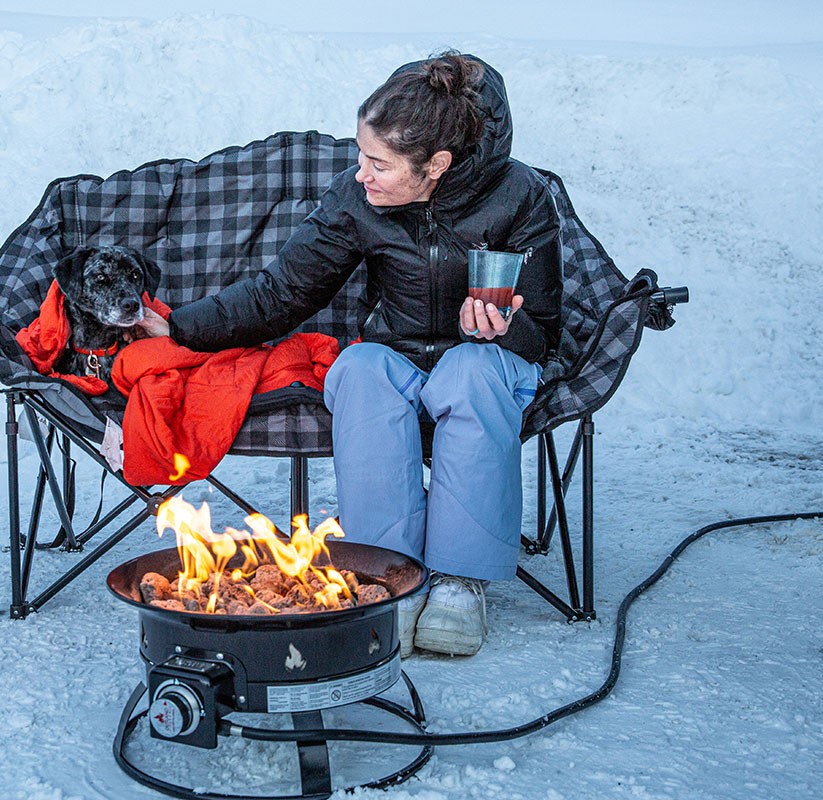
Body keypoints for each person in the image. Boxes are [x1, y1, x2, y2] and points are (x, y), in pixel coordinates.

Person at [134, 52, 562, 657]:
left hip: (488, 362)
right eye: (361, 155)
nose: (361, 174)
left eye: (378, 163)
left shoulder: (521, 196)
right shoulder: (357, 197)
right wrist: (178, 328)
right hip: (400, 353)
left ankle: (459, 584)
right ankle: (391, 573)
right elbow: (281, 291)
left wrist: (503, 328)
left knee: (469, 372)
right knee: (361, 369)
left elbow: (544, 327)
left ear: (436, 165)